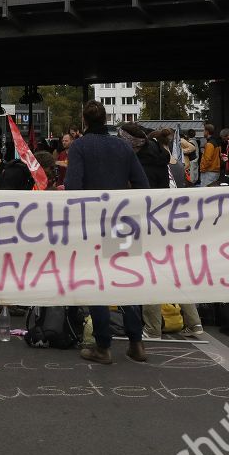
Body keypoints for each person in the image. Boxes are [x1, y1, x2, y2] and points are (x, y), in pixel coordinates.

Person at [66, 100, 149, 365]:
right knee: (128, 280)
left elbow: (73, 188)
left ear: (85, 121)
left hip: (93, 222)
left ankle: (103, 347)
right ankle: (136, 343)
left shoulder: (79, 146)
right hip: (124, 219)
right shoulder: (123, 146)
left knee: (97, 282)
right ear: (106, 120)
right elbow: (142, 184)